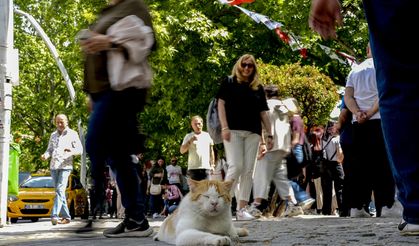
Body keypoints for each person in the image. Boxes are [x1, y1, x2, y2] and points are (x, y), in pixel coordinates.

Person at [309, 0, 419, 234]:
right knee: (381, 168)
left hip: (364, 123)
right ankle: (388, 204)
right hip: (376, 120)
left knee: (359, 168)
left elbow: (349, 98)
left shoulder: (356, 70)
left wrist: (359, 114)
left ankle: (414, 207)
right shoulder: (367, 68)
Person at [79, 0, 155, 237]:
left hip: (122, 90)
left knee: (94, 144)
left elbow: (149, 43)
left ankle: (97, 208)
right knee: (118, 156)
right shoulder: (105, 12)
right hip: (103, 93)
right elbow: (95, 58)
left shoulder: (134, 5)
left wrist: (108, 41)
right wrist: (90, 92)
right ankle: (136, 219)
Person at [216, 54, 273, 220]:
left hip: (253, 132)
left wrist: (269, 135)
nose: (247, 68)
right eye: (244, 65)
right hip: (232, 130)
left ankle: (241, 210)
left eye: (250, 66)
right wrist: (224, 126)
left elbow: (263, 112)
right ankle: (223, 206)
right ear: (238, 65)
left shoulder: (258, 87)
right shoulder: (229, 82)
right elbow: (221, 104)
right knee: (236, 166)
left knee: (248, 171)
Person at [251, 87, 305, 218]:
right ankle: (292, 204)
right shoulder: (284, 107)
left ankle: (256, 207)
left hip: (270, 145)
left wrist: (262, 143)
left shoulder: (265, 106)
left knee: (261, 176)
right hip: (282, 146)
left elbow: (260, 125)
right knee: (280, 177)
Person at [41, 114, 83, 225]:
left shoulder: (72, 134)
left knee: (60, 190)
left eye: (62, 122)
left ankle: (54, 215)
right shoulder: (53, 135)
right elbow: (49, 150)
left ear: (67, 122)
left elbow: (80, 150)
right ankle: (67, 217)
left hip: (65, 166)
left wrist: (71, 151)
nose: (59, 124)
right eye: (57, 122)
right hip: (54, 166)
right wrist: (45, 155)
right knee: (60, 192)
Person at [180, 115, 214, 181]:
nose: (197, 126)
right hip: (193, 169)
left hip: (206, 168)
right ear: (192, 125)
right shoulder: (188, 136)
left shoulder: (208, 135)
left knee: (207, 190)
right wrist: (190, 141)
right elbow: (182, 151)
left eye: (199, 123)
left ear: (202, 124)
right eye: (195, 124)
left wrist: (212, 165)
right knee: (195, 191)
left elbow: (211, 151)